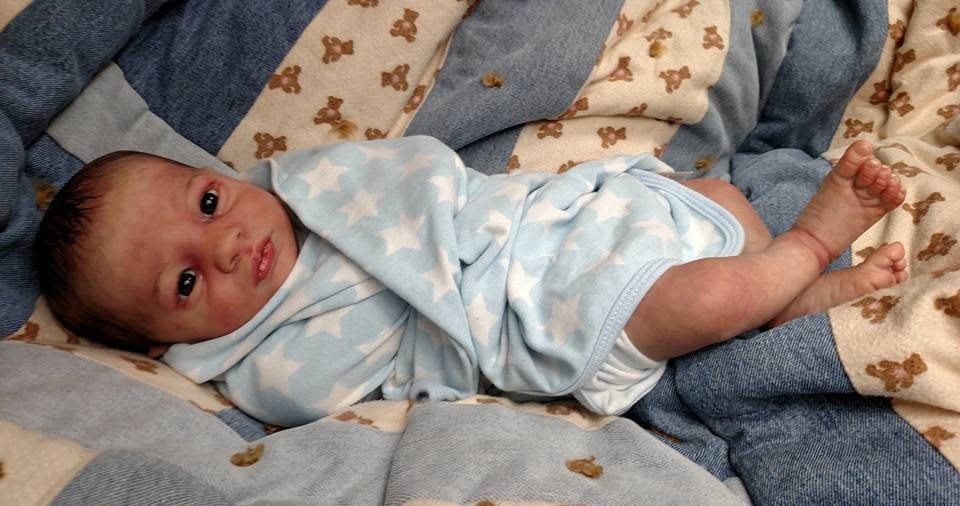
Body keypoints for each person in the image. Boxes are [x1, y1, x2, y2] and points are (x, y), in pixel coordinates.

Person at [34, 136, 907, 426]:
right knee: (704, 300)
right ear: (165, 344)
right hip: (541, 317)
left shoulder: (322, 182)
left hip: (554, 233)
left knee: (713, 199)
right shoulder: (269, 366)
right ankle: (808, 246)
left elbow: (439, 184)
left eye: (208, 202)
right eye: (185, 283)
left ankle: (784, 296)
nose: (225, 246)